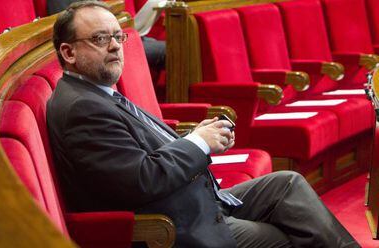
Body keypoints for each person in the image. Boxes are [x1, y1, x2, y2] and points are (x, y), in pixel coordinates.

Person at [47, 1, 360, 247]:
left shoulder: (95, 94)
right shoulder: (82, 109)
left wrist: (197, 134)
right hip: (175, 225)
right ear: (68, 52)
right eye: (100, 39)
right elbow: (141, 179)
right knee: (289, 237)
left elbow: (142, 152)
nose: (115, 46)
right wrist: (198, 143)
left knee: (286, 185)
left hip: (197, 201)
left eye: (118, 36)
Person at [47, 0, 166, 71]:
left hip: (119, 36)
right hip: (100, 42)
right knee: (171, 50)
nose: (115, 47)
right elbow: (66, 28)